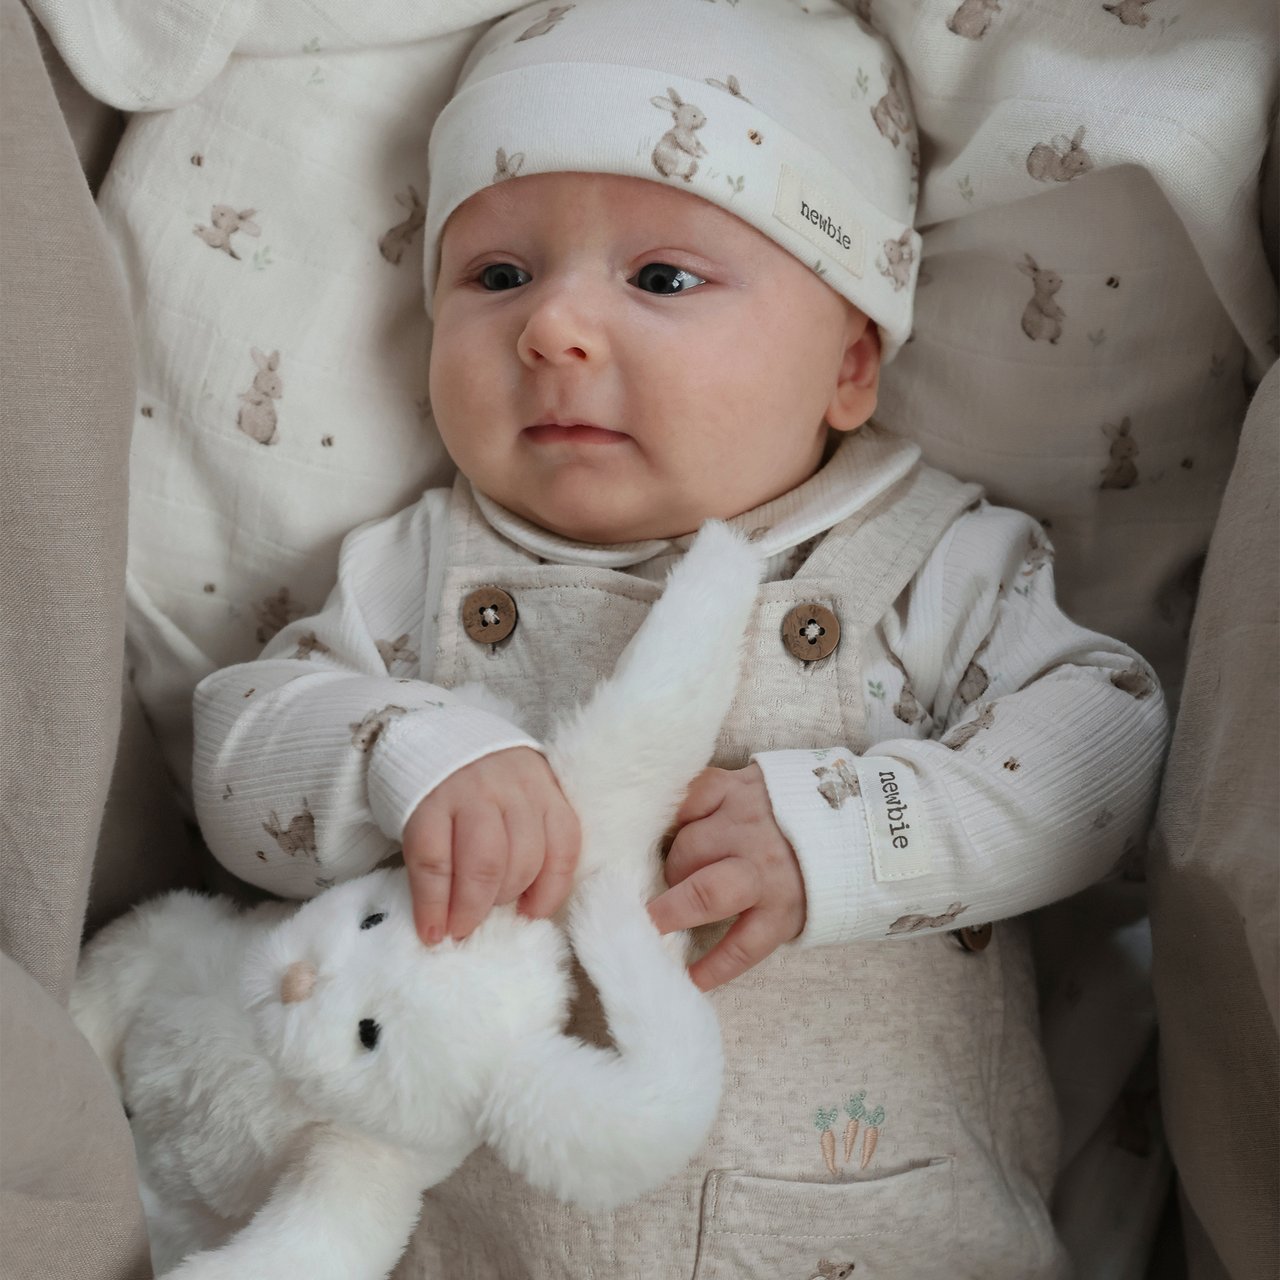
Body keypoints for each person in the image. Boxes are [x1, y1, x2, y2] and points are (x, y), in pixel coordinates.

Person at [191, 0, 1168, 1273]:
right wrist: (406, 752)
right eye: (497, 275)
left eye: (659, 278)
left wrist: (848, 834)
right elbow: (234, 754)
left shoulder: (931, 562)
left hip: (885, 1234)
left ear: (849, 365)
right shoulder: (415, 571)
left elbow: (1103, 751)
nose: (550, 327)